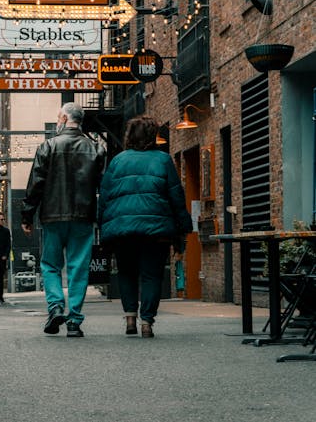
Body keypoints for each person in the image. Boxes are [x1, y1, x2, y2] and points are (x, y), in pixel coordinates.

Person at [97, 115, 193, 338]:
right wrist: (183, 226)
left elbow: (105, 197)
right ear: (152, 136)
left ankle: (130, 316)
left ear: (129, 136)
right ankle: (147, 321)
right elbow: (176, 195)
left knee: (127, 273)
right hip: (155, 229)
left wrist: (103, 226)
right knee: (152, 275)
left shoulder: (118, 161)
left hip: (122, 230)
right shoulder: (163, 160)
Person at [21, 102, 106, 337]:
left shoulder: (48, 146)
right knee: (79, 268)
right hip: (83, 216)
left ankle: (56, 306)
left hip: (52, 215)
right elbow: (103, 186)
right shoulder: (96, 149)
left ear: (64, 118)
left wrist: (27, 215)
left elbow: (35, 184)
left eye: (59, 117)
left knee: (50, 265)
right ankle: (74, 321)